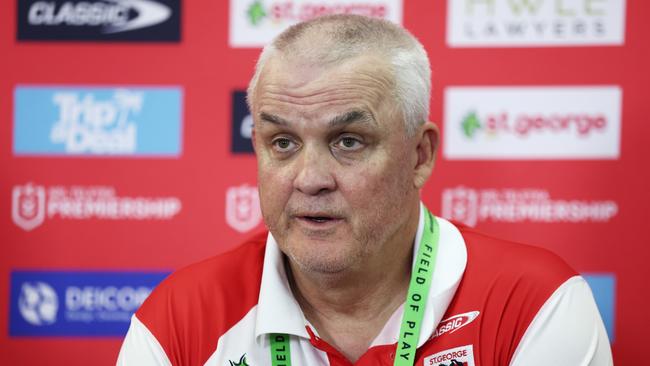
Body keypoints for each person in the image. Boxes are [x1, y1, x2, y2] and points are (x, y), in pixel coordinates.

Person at [117, 14, 612, 366]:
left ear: (420, 155)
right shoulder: (180, 320)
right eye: (282, 142)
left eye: (348, 141)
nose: (310, 178)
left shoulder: (534, 303)